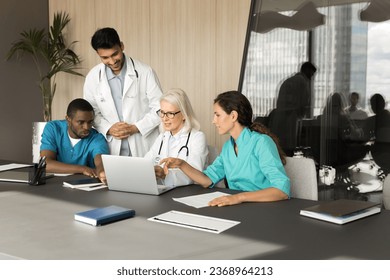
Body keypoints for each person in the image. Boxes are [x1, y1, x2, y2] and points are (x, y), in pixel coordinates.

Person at [161, 91, 290, 207]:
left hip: (265, 207)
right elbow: (207, 180)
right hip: (239, 207)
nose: (213, 121)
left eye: (217, 115)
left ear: (233, 116)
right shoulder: (228, 146)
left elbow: (281, 190)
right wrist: (181, 164)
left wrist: (238, 198)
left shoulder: (262, 142)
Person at [83, 27, 162, 157]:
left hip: (142, 145)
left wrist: (135, 128)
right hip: (111, 145)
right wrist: (109, 128)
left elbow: (159, 109)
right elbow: (91, 112)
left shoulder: (145, 72)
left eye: (115, 54)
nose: (112, 61)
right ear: (98, 54)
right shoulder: (93, 77)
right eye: (105, 57)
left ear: (122, 46)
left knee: (144, 176)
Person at [144, 88, 208, 187]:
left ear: (183, 115)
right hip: (163, 192)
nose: (165, 118)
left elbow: (195, 176)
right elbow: (145, 164)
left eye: (170, 113)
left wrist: (165, 175)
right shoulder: (162, 137)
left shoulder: (197, 137)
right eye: (162, 112)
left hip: (186, 193)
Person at [40, 98, 109, 183]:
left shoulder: (96, 138)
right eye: (81, 122)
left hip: (85, 190)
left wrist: (102, 172)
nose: (87, 127)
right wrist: (82, 169)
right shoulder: (53, 128)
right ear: (68, 119)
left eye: (90, 122)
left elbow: (100, 163)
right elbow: (45, 164)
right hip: (55, 186)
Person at [269, 61, 317, 156]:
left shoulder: (289, 80)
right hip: (290, 119)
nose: (312, 77)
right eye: (311, 74)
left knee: (279, 148)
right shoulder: (302, 82)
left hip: (280, 119)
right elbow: (303, 104)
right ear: (306, 70)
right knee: (288, 149)